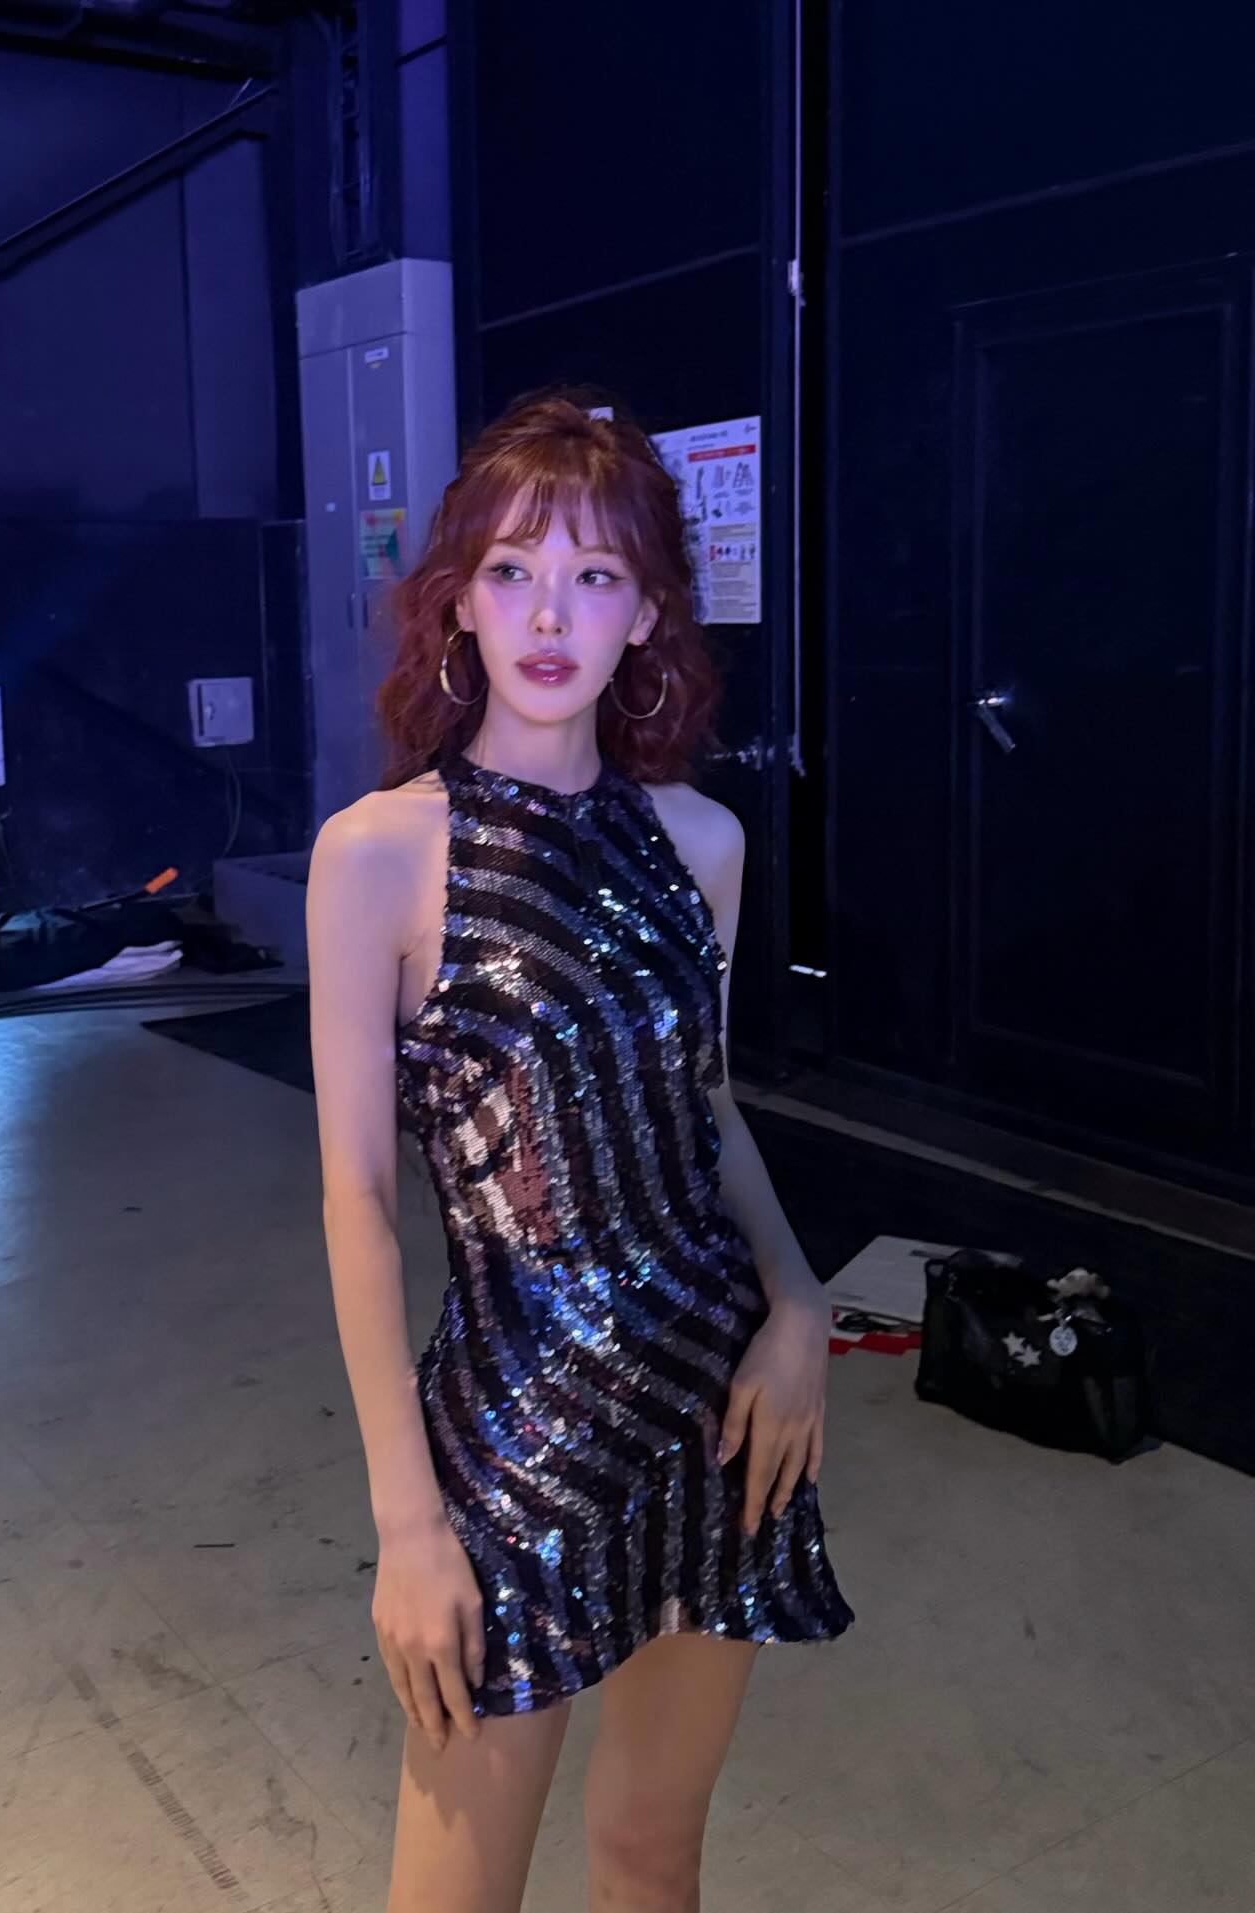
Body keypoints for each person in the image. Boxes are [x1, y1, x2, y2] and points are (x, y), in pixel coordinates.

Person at [306, 386, 854, 1913]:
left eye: (596, 574)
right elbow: (357, 1195)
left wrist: (800, 1302)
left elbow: (705, 1105)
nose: (551, 613)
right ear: (458, 603)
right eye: (513, 569)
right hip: (509, 1437)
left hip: (714, 1411)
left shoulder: (702, 842)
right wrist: (408, 1521)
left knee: (653, 1857)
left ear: (647, 614)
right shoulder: (381, 855)